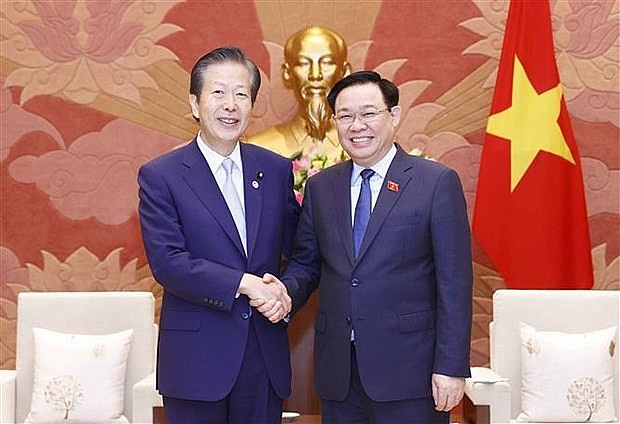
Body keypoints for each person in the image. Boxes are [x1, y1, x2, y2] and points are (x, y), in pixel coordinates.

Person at [256, 71, 473, 423]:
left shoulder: (435, 183)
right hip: (339, 372)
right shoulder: (322, 187)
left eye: (369, 113)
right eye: (345, 116)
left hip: (410, 373)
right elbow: (307, 265)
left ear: (394, 116)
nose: (357, 126)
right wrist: (282, 292)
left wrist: (451, 367)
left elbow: (455, 283)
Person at [138, 46, 300, 423]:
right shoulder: (161, 175)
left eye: (241, 94)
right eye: (218, 92)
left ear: (252, 104)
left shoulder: (275, 170)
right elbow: (168, 263)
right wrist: (246, 284)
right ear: (195, 103)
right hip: (196, 362)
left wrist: (284, 292)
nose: (231, 104)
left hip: (264, 357)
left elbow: (301, 252)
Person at [247, 26, 351, 161]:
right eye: (303, 63)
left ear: (344, 73)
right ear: (287, 73)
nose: (315, 75)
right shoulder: (260, 148)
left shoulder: (365, 149)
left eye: (327, 62)